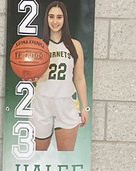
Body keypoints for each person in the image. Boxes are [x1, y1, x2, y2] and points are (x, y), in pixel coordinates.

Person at [33, 0, 89, 153]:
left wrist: (85, 107)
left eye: (59, 17)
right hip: (42, 102)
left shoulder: (74, 45)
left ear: (65, 19)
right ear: (46, 19)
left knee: (66, 156)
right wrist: (31, 76)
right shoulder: (38, 45)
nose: (55, 21)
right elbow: (33, 77)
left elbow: (79, 77)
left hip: (66, 103)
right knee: (38, 155)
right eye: (51, 16)